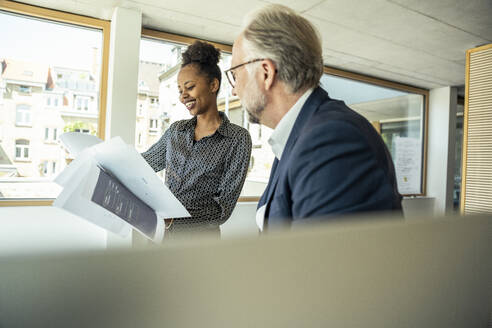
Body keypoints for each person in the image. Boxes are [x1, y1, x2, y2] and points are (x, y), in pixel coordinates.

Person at [226, 4, 402, 231]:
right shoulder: (296, 138)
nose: (233, 90)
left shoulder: (331, 139)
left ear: (266, 73)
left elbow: (322, 263)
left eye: (235, 75)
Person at [143, 40, 252, 238]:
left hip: (201, 245)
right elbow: (143, 165)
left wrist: (176, 218)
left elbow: (222, 209)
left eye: (190, 87)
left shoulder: (237, 139)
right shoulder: (176, 131)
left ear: (213, 85)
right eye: (180, 90)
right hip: (162, 237)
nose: (183, 96)